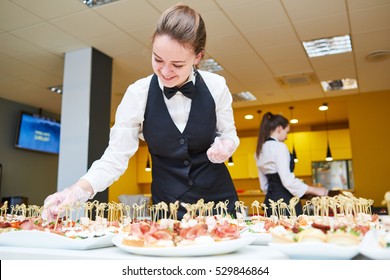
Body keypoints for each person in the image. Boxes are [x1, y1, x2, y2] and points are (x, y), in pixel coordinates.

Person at [43, 4, 239, 220]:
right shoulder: (138, 94)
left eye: (177, 64)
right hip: (167, 210)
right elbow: (115, 157)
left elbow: (228, 134)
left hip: (220, 205)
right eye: (158, 59)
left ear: (198, 57)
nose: (165, 72)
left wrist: (227, 145)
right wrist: (77, 191)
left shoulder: (216, 86)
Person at [255, 112, 328, 216]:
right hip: (287, 202)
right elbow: (287, 181)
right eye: (286, 132)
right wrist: (315, 190)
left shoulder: (259, 150)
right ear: (279, 128)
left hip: (270, 202)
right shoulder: (279, 147)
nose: (286, 137)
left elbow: (264, 186)